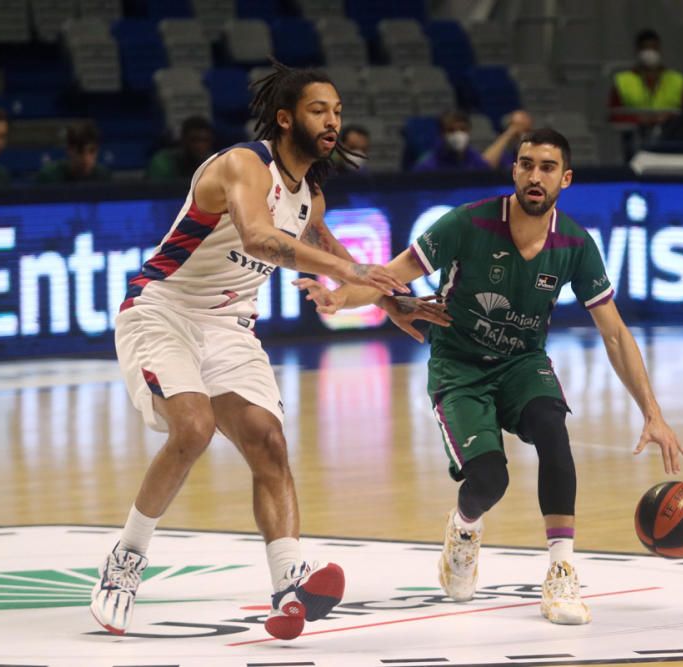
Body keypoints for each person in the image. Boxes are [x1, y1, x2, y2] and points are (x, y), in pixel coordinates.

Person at [88, 60, 443, 641]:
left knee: (268, 441)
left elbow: (333, 256)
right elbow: (258, 237)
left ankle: (288, 584)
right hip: (164, 308)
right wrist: (352, 267)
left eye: (337, 111)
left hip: (230, 323)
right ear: (285, 119)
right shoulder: (242, 165)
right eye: (318, 110)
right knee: (194, 428)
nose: (332, 121)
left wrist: (392, 302)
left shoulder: (312, 198)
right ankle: (125, 562)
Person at [299, 128, 683, 625]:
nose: (534, 175)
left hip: (523, 363)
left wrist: (652, 413)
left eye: (547, 167)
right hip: (458, 367)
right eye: (526, 164)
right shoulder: (468, 223)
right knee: (489, 480)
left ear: (565, 178)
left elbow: (614, 334)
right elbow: (390, 277)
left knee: (553, 431)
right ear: (514, 171)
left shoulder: (574, 244)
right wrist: (339, 299)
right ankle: (463, 528)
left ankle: (562, 571)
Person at [609, 28, 683, 157]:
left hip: (670, 142)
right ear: (638, 51)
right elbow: (614, 115)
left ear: (659, 50)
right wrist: (638, 119)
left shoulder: (676, 80)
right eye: (645, 48)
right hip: (634, 144)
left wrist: (668, 118)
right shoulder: (623, 80)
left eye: (653, 48)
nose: (650, 53)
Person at [412, 110, 490, 172]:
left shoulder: (476, 160)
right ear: (442, 133)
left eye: (463, 129)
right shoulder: (427, 166)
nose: (458, 134)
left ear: (469, 131)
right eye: (451, 130)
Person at [36, 120, 112, 183]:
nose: (86, 158)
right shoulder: (48, 177)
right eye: (80, 151)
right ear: (69, 150)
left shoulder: (103, 176)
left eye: (92, 151)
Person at [146, 116, 216, 182]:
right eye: (194, 140)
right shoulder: (163, 162)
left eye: (205, 140)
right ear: (183, 140)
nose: (200, 145)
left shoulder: (215, 163)